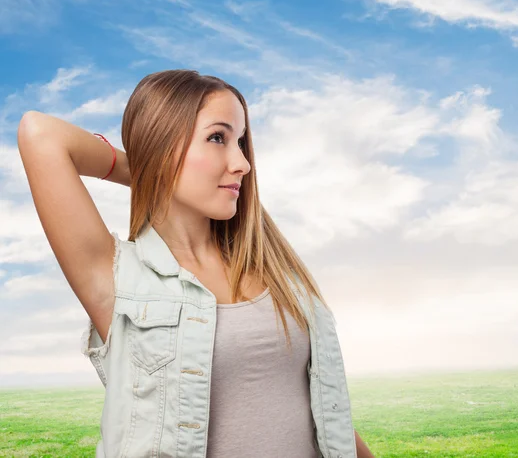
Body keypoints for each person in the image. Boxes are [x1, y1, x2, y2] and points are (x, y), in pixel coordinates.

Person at [17, 69, 375, 458]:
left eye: (240, 142)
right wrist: (150, 171)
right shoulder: (119, 278)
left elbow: (323, 415)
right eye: (218, 138)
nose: (242, 164)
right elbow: (41, 134)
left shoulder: (274, 270)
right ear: (162, 145)